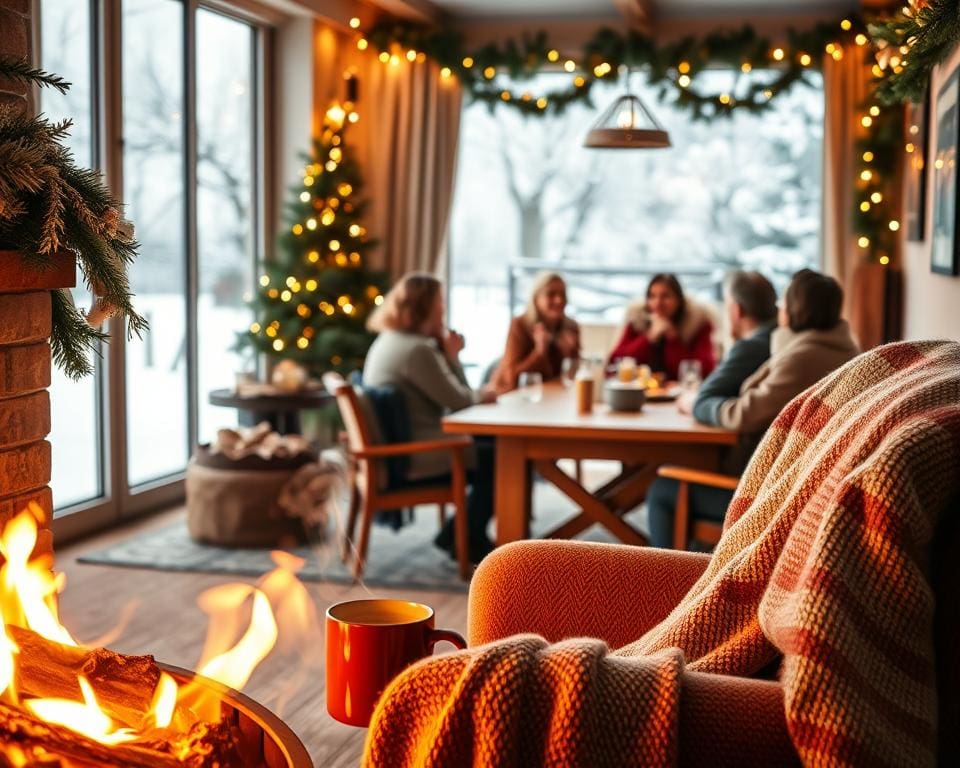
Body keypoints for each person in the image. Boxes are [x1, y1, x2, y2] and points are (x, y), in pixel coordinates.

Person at [646, 268, 860, 549]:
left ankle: (668, 574)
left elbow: (743, 414)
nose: (779, 309)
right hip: (804, 485)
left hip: (774, 497)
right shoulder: (846, 352)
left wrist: (696, 403)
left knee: (663, 488)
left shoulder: (802, 359)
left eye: (784, 302)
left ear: (793, 310)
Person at [364, 273, 497, 561]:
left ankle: (456, 534)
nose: (444, 309)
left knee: (492, 447)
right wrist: (453, 356)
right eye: (440, 303)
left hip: (397, 448)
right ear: (425, 307)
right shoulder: (417, 350)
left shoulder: (388, 340)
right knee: (502, 457)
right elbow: (460, 402)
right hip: (419, 452)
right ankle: (467, 539)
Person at [676, 270, 778, 421]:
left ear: (736, 310)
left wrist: (690, 401)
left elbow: (702, 402)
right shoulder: (779, 337)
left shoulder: (751, 348)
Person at [607, 273, 716, 381]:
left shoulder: (697, 324)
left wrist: (673, 338)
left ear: (679, 300)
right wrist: (649, 338)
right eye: (652, 296)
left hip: (682, 391)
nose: (658, 303)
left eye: (665, 296)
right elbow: (613, 365)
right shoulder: (637, 322)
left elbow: (705, 371)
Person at [491, 272, 580, 393]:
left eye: (562, 294)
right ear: (536, 298)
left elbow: (574, 377)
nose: (559, 300)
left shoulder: (571, 328)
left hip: (550, 396)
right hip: (512, 395)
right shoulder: (520, 325)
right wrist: (539, 352)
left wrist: (570, 354)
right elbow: (511, 378)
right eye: (551, 294)